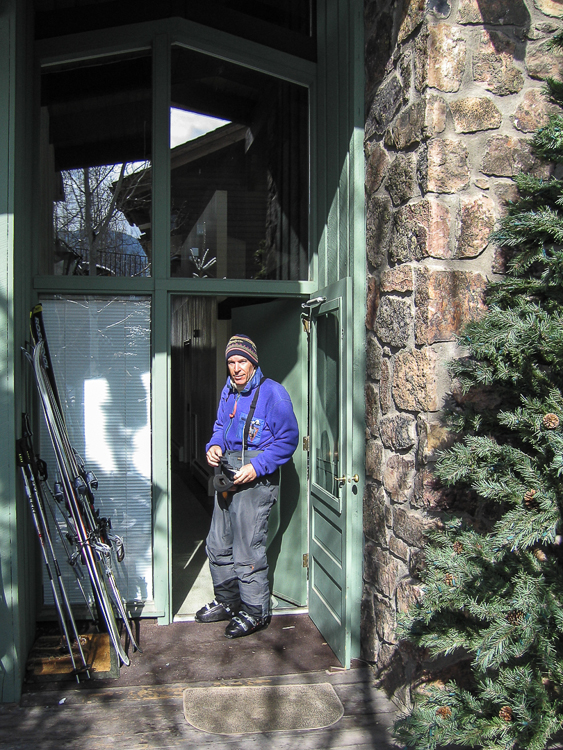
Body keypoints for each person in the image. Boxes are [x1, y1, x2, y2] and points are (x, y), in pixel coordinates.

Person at [195, 334, 299, 638]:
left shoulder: (274, 395)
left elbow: (288, 440)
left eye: (242, 361)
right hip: (227, 475)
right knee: (217, 543)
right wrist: (213, 446)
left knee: (246, 549)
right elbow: (219, 428)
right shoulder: (229, 391)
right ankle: (228, 602)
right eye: (231, 362)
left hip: (256, 480)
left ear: (253, 363)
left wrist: (256, 467)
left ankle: (255, 611)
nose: (236, 368)